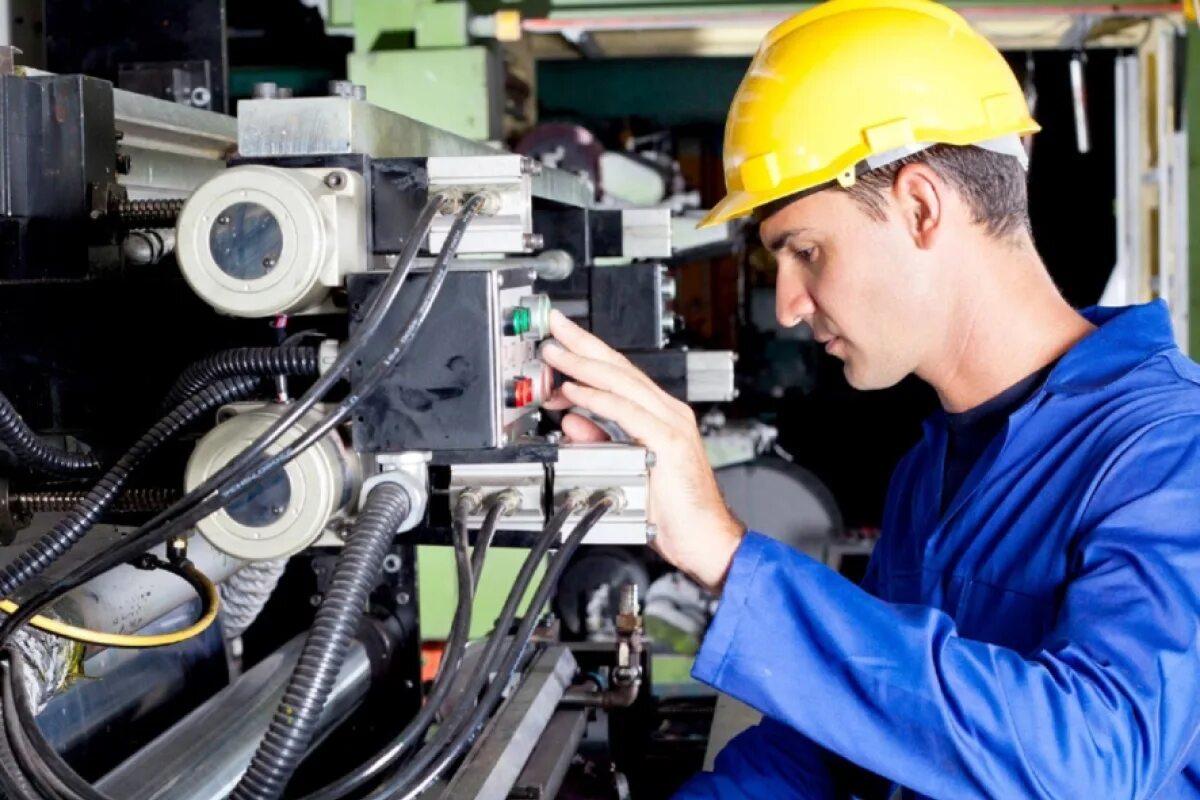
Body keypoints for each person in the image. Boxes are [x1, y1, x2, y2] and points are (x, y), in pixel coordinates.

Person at [538, 0, 1200, 796]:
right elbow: (834, 746)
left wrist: (725, 553)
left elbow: (1094, 764)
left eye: (806, 251)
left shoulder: (1169, 451)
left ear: (921, 207)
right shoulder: (936, 468)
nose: (786, 304)